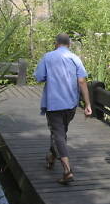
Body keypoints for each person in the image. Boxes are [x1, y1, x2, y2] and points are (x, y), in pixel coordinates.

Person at [35, 33, 92, 185]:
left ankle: (67, 171)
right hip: (71, 104)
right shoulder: (75, 58)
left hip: (54, 103)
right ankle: (51, 157)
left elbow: (39, 77)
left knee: (58, 134)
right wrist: (87, 104)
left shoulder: (48, 57)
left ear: (56, 43)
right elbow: (82, 81)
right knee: (60, 132)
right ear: (69, 44)